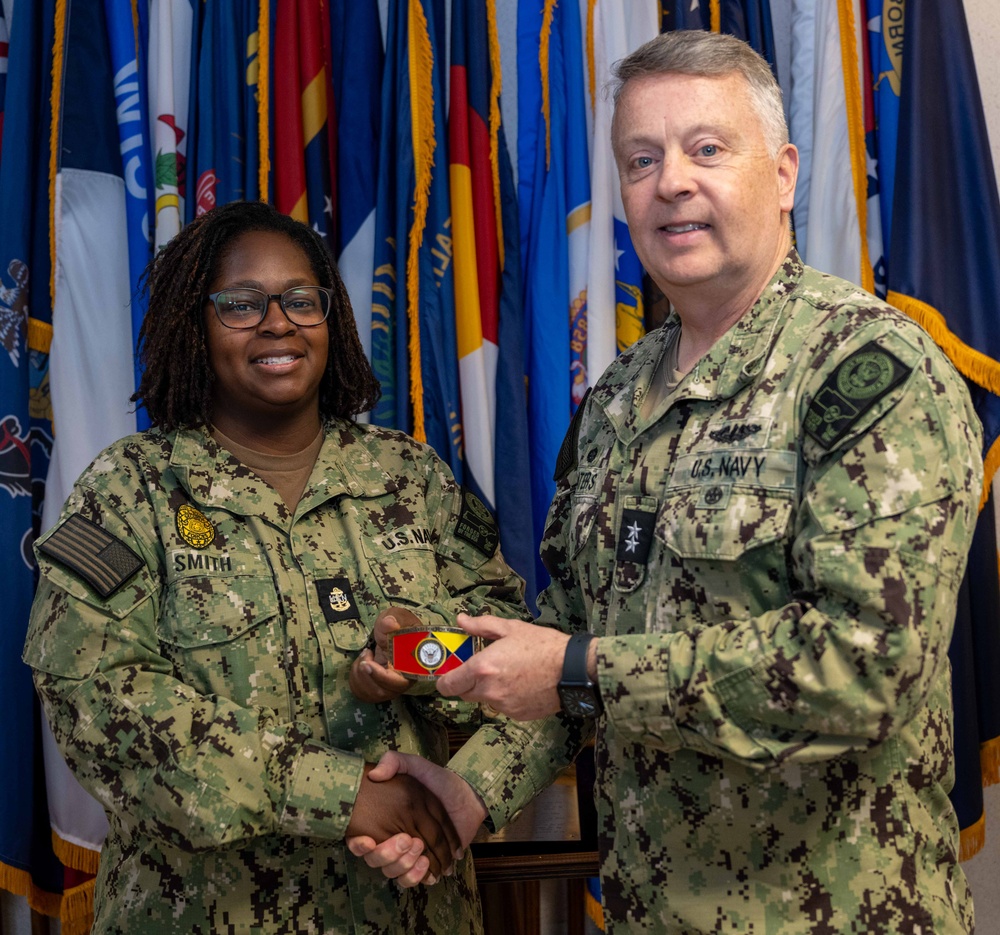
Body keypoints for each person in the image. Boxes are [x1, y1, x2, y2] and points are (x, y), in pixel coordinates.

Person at [355, 30, 983, 934]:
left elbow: (866, 666)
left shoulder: (867, 373)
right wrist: (467, 792)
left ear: (784, 174)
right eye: (641, 159)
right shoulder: (615, 399)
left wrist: (577, 669)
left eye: (707, 148)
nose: (672, 182)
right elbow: (568, 639)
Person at [22, 200, 561, 935]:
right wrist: (346, 795)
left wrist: (417, 666)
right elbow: (99, 706)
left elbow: (523, 670)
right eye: (241, 304)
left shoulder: (412, 479)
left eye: (301, 300)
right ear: (194, 324)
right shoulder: (130, 490)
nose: (278, 323)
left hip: (409, 911)